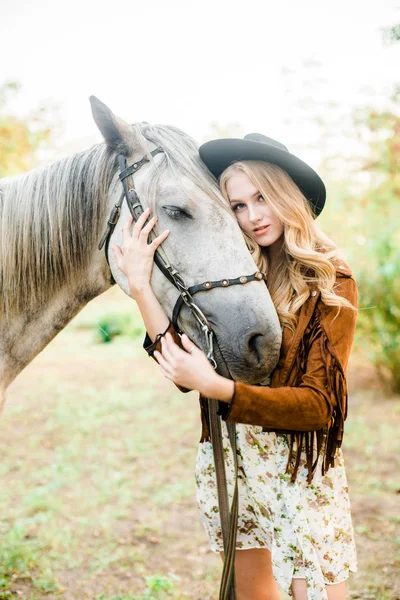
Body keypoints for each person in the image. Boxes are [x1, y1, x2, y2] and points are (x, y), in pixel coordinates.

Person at [112, 134, 358, 600]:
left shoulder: (330, 277)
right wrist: (142, 286)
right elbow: (187, 367)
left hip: (297, 472)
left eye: (262, 198)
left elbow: (320, 407)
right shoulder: (239, 274)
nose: (253, 216)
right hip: (240, 461)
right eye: (239, 205)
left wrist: (219, 389)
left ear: (290, 194)